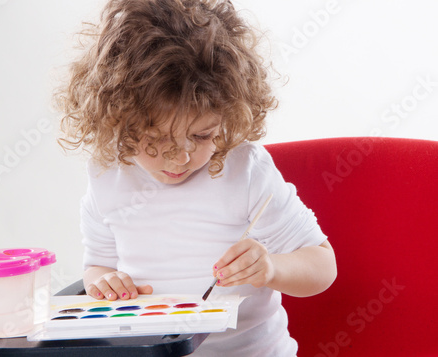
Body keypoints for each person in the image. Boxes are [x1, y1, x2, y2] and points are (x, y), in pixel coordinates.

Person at [56, 0, 337, 355]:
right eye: (156, 140)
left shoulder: (245, 171)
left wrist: (271, 268)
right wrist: (104, 284)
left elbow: (323, 266)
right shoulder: (107, 175)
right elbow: (98, 266)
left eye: (203, 136)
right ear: (118, 122)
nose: (182, 156)